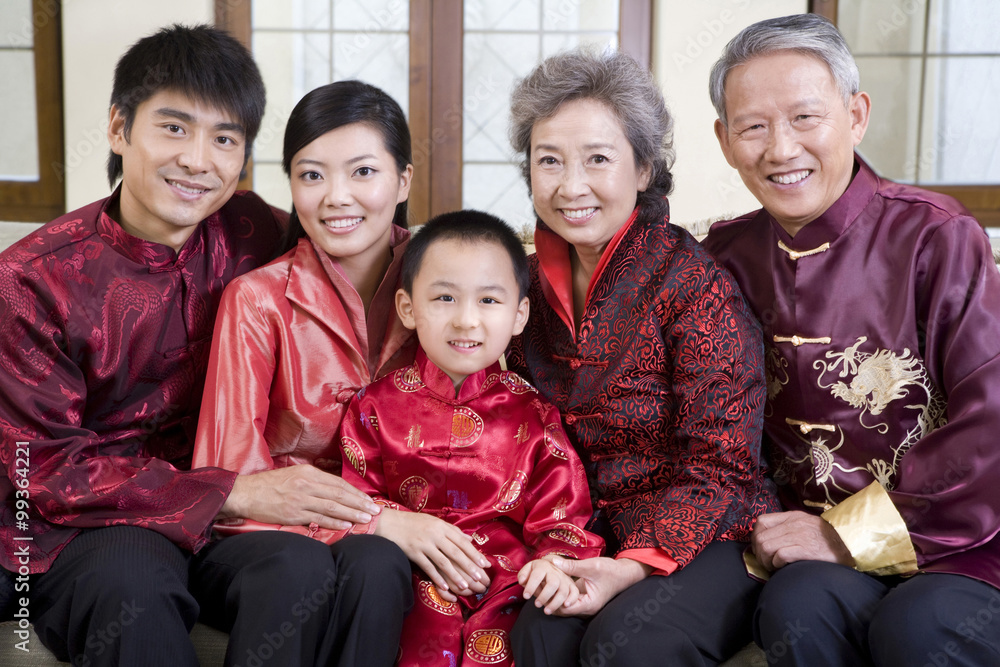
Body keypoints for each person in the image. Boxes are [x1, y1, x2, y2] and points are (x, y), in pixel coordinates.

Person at [0, 25, 366, 667]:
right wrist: (231, 490)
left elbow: (362, 255)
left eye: (224, 138)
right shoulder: (32, 279)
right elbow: (47, 472)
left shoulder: (254, 229)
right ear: (118, 129)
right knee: (131, 583)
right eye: (174, 128)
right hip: (94, 521)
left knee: (298, 563)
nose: (199, 160)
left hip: (226, 518)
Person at [703, 13, 1000, 667]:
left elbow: (990, 423)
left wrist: (847, 534)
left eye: (805, 118)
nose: (781, 149)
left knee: (920, 625)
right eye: (754, 126)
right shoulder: (723, 257)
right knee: (794, 607)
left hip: (959, 538)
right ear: (726, 141)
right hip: (799, 541)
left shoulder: (935, 238)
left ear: (856, 115)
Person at [506, 48, 780, 666]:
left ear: (643, 170)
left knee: (627, 643)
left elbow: (724, 465)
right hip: (584, 528)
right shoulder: (519, 289)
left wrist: (632, 566)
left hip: (711, 530)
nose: (570, 186)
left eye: (598, 159)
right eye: (549, 161)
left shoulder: (691, 284)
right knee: (536, 633)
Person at [191, 80, 426, 665]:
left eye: (363, 172)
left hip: (400, 539)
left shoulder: (446, 287)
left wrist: (382, 531)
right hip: (264, 543)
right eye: (311, 175)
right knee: (303, 566)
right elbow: (228, 484)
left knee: (377, 565)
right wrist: (372, 521)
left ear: (404, 181)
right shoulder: (257, 299)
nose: (335, 197)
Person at [336, 210, 604, 666]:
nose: (465, 321)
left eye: (488, 301)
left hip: (506, 587)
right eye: (444, 297)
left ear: (520, 314)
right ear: (408, 307)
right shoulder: (373, 408)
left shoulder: (535, 415)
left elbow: (563, 517)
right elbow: (354, 503)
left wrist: (552, 564)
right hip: (408, 580)